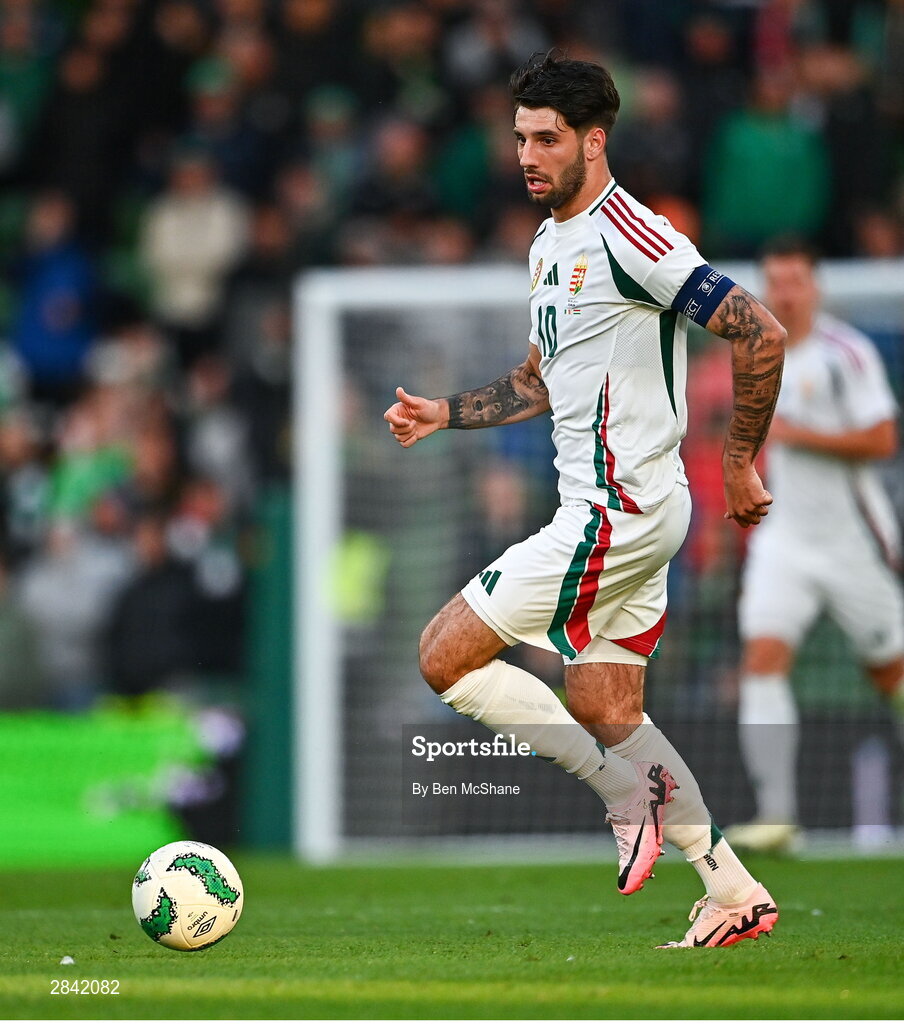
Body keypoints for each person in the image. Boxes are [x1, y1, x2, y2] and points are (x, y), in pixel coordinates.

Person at [384, 52, 786, 949]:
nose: (528, 155)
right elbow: (541, 376)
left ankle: (619, 794)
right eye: (520, 136)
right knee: (608, 708)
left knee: (443, 655)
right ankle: (733, 890)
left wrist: (744, 460)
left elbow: (758, 328)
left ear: (594, 141)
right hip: (628, 511)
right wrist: (446, 413)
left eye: (547, 139)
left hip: (618, 512)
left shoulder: (632, 235)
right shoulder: (547, 244)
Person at [725, 238, 904, 854]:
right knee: (763, 658)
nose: (785, 293)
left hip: (854, 541)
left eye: (796, 281)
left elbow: (883, 440)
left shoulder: (844, 354)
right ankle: (777, 816)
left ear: (816, 287)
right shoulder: (755, 357)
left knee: (891, 673)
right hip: (787, 541)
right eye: (775, 282)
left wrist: (797, 433)